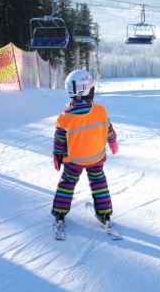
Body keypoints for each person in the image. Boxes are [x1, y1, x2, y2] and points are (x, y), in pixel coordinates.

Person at [51, 69, 119, 231]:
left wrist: (57, 155)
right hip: (96, 158)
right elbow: (108, 129)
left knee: (67, 183)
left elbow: (59, 140)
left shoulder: (64, 117)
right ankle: (104, 213)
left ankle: (60, 212)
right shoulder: (100, 111)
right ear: (89, 90)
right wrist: (113, 141)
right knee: (98, 182)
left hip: (74, 160)